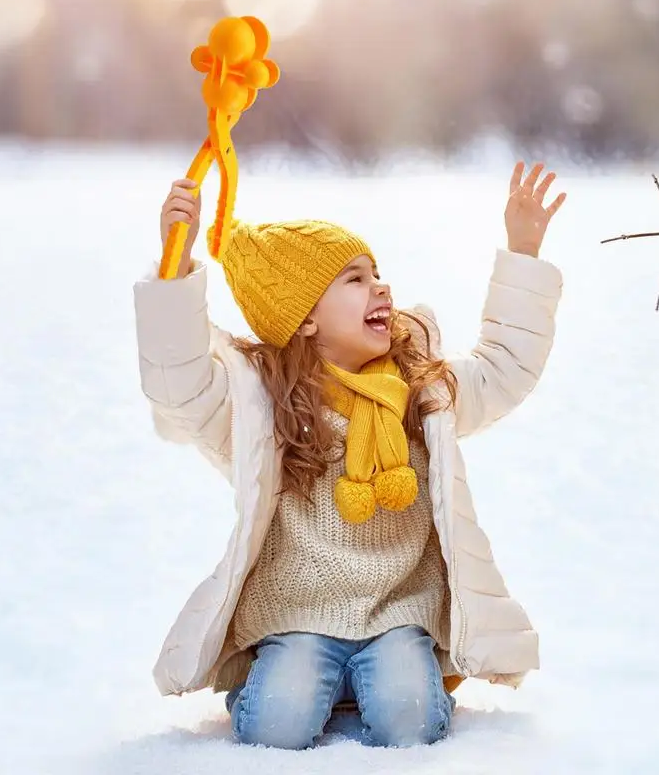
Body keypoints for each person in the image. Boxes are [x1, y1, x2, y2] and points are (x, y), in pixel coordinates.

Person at [132, 162, 566, 749]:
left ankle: (378, 679)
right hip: (296, 617)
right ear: (305, 319)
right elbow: (179, 389)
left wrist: (523, 251)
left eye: (377, 273)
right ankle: (290, 679)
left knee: (408, 720)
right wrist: (176, 270)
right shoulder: (264, 407)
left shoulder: (422, 389)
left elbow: (503, 371)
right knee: (274, 726)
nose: (381, 287)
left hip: (397, 614)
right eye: (355, 280)